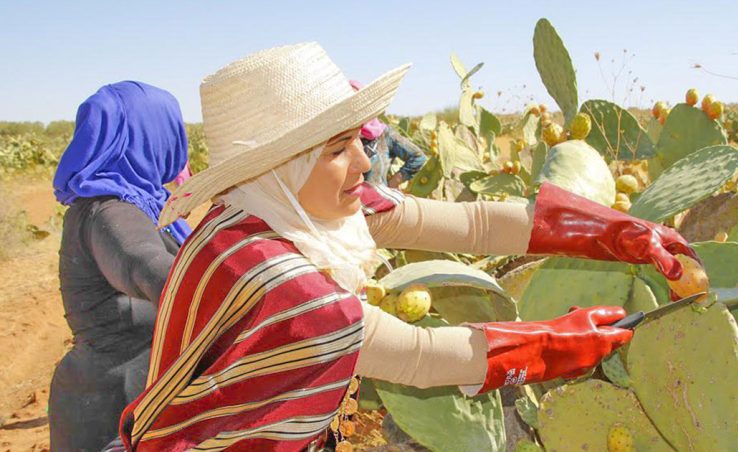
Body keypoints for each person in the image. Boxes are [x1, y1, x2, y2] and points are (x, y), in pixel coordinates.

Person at [117, 43, 698, 451]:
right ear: (281, 167)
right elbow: (420, 357)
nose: (366, 163)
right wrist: (567, 341)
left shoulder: (268, 211)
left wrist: (623, 232)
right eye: (339, 148)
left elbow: (471, 223)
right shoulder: (277, 279)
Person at [49, 81, 193, 451]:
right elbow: (150, 268)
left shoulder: (127, 203)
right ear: (153, 135)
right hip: (115, 410)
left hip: (110, 392)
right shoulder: (112, 211)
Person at [349, 80, 427, 188]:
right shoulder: (337, 138)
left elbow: (418, 157)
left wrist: (392, 183)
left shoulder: (385, 135)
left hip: (377, 202)